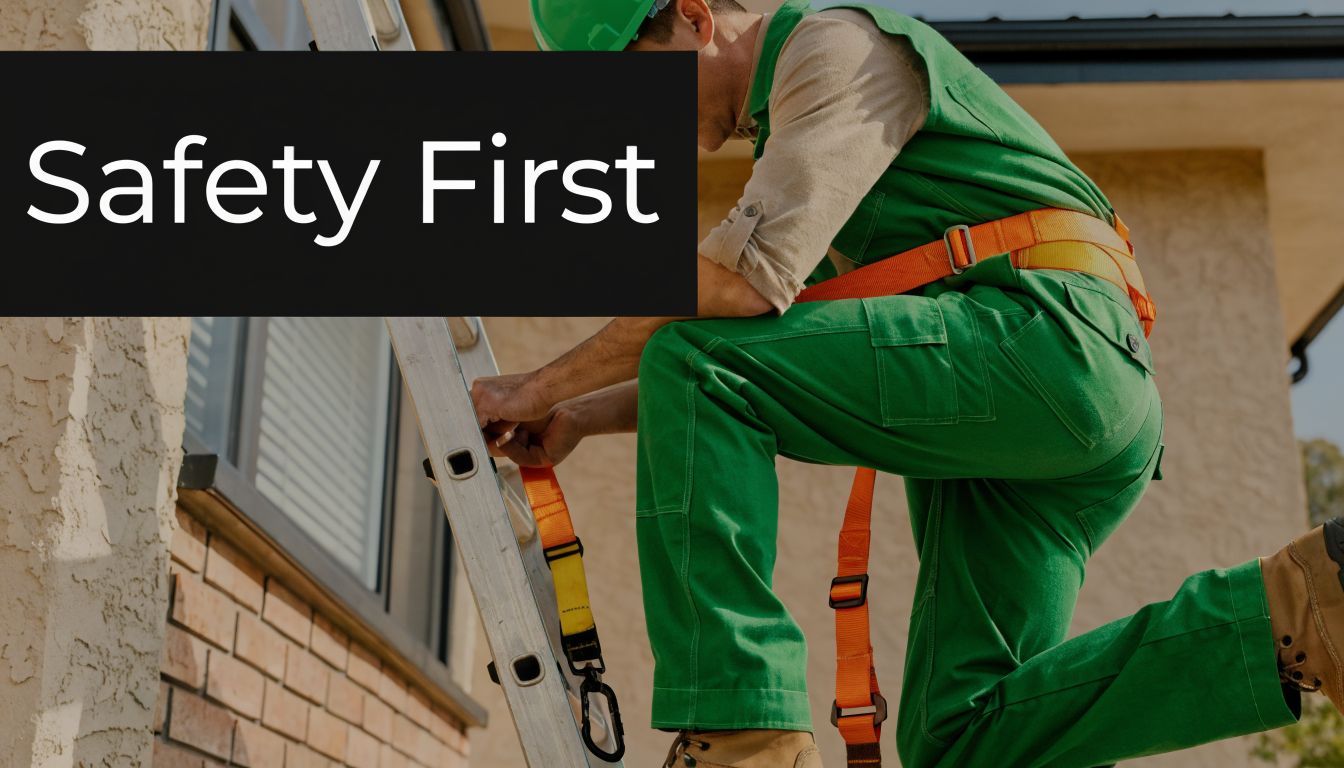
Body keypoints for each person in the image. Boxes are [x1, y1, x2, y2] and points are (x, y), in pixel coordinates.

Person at [471, 0, 1341, 765]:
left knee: (691, 355)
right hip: (1033, 412)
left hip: (1044, 347)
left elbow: (731, 305)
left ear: (696, 17)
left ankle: (741, 734)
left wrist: (538, 384)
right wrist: (581, 412)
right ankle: (1294, 613)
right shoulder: (805, 138)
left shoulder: (834, 48)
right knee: (961, 736)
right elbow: (768, 350)